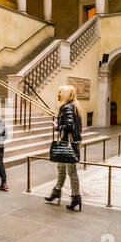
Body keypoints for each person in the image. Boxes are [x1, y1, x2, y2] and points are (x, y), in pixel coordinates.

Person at [44, 84, 83, 212]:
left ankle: (76, 197)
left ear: (65, 94)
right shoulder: (73, 107)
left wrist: (57, 127)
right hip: (70, 143)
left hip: (68, 144)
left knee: (71, 172)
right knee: (61, 168)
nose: (58, 94)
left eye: (60, 92)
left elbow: (70, 126)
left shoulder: (67, 107)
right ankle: (57, 191)